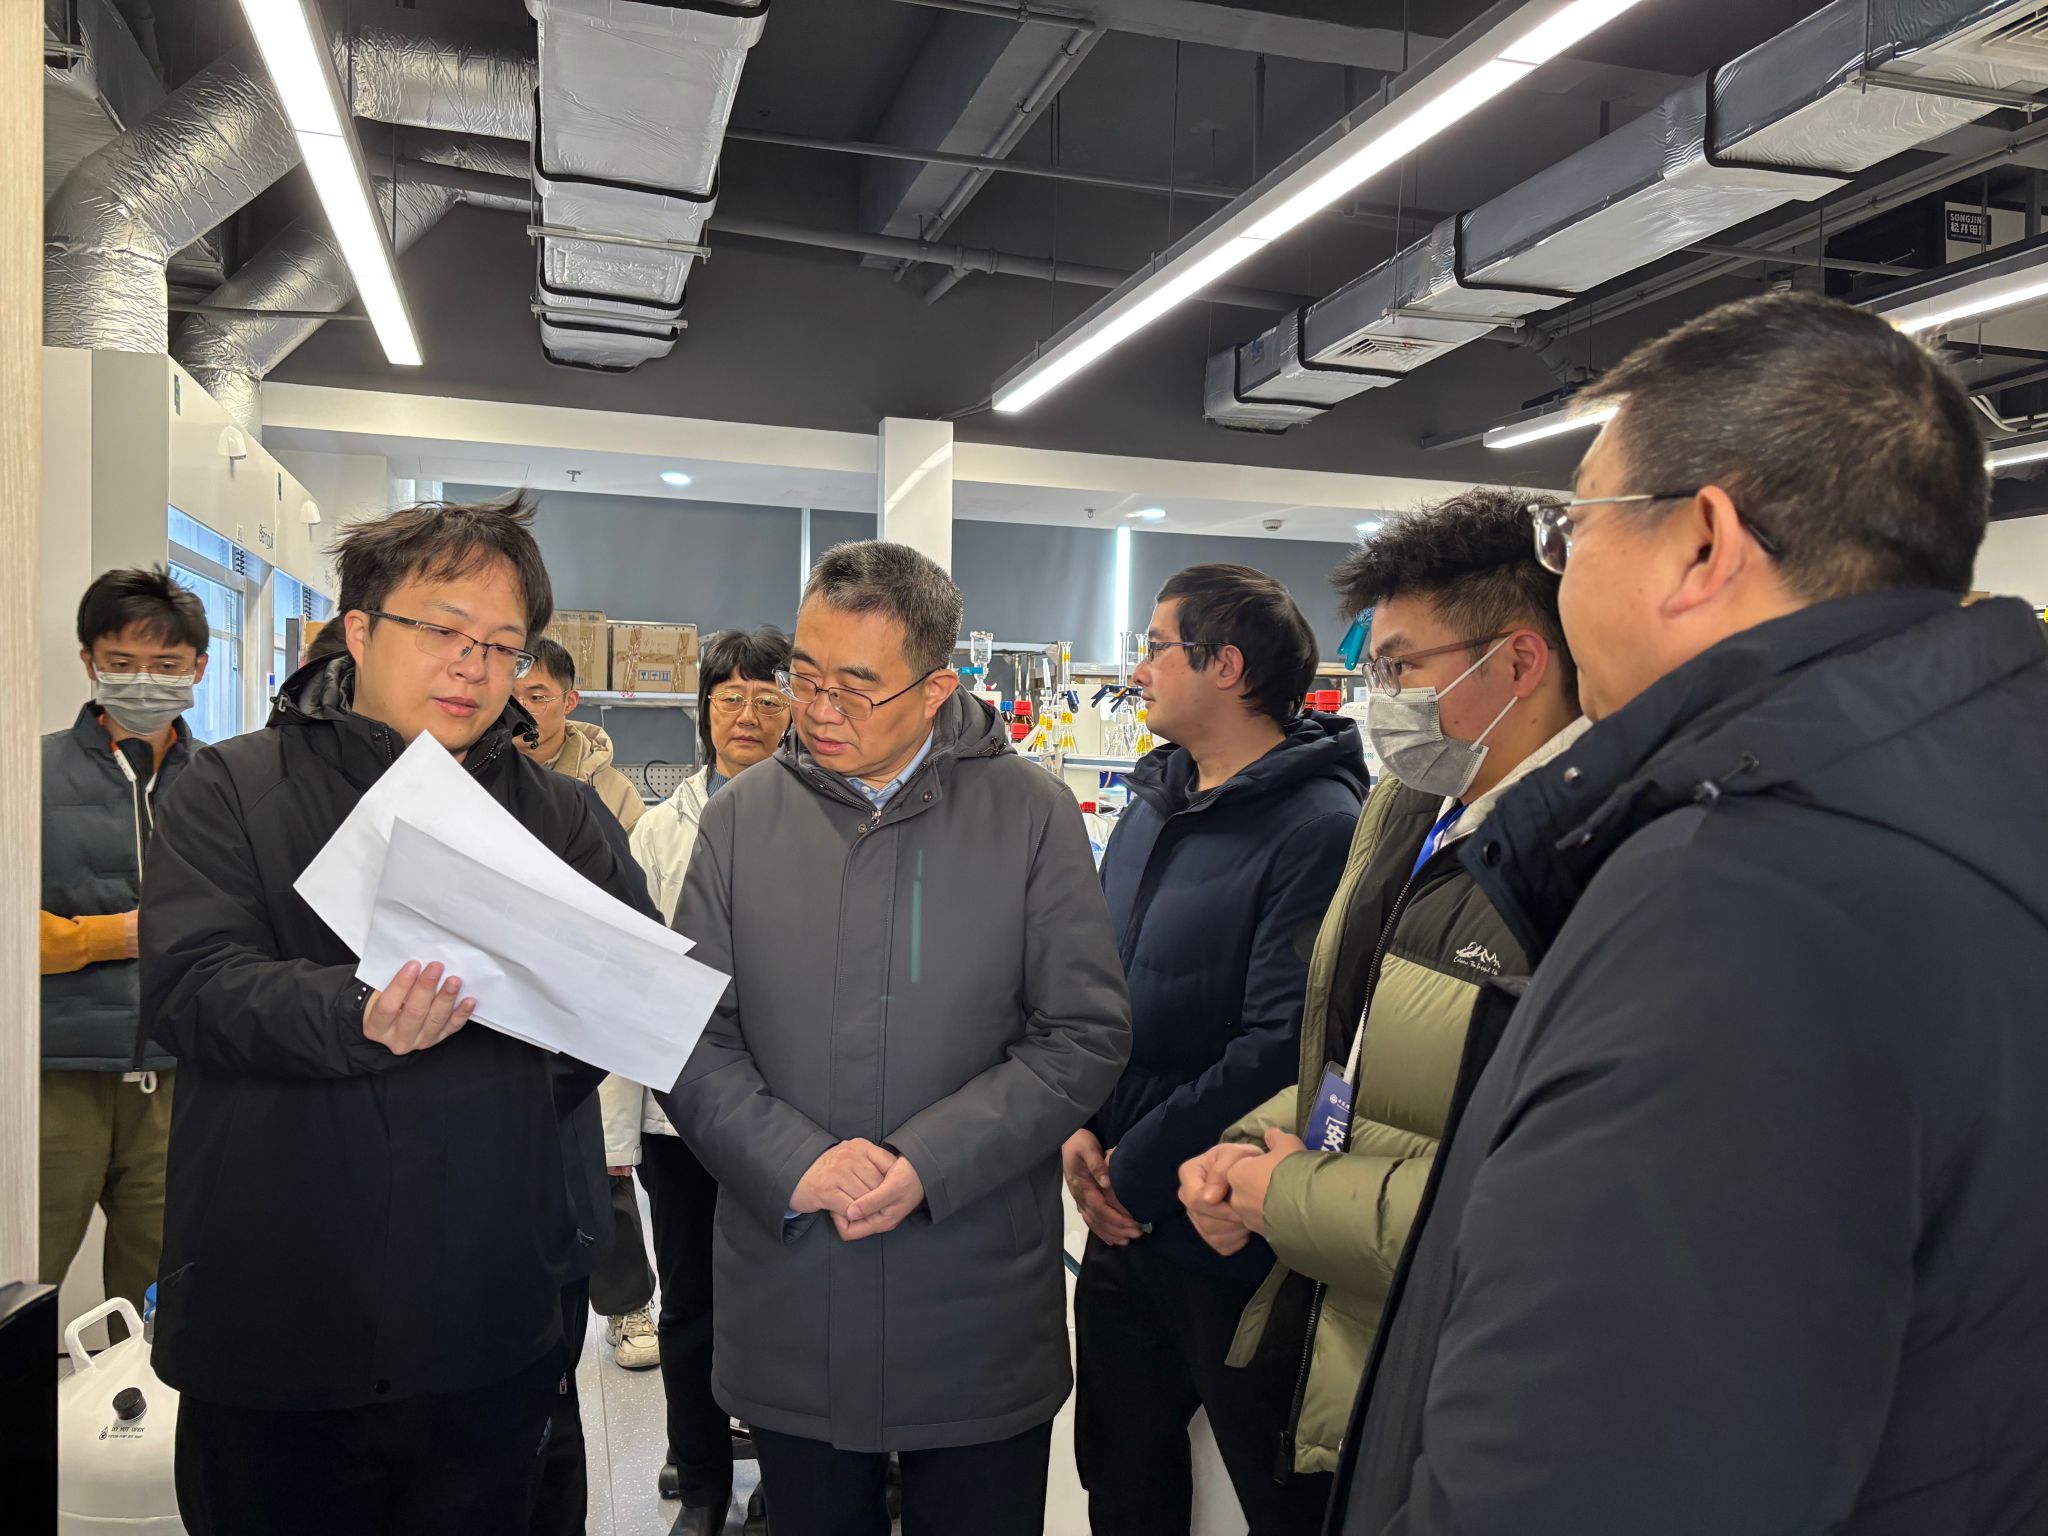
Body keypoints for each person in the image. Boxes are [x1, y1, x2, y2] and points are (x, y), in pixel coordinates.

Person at [1332, 292, 2048, 1534]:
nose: (1559, 572)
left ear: (1703, 544)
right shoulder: (1960, 798)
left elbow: (1589, 1484)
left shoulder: (1742, 900)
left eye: (1573, 527)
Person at [141, 494, 649, 1536]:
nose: (473, 666)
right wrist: (356, 1012)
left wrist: (530, 1038)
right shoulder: (231, 789)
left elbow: (624, 996)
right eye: (443, 631)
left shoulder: (559, 816)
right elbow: (190, 986)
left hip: (489, 1305)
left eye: (502, 645)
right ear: (361, 631)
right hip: (279, 1300)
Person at [660, 541, 1131, 1536]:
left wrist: (929, 1161)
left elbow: (1081, 1033)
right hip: (793, 1288)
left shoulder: (1030, 817)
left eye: (856, 686)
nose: (819, 709)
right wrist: (795, 1161)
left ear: (935, 689)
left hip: (971, 1299)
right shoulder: (740, 821)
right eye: (805, 677)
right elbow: (689, 1036)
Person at [1173, 491, 1585, 1493]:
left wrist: (1291, 1197)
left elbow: (1542, 1211)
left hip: (1461, 1384)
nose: (1379, 696)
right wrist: (1247, 1148)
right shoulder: (1408, 808)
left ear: (1518, 662)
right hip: (1337, 1323)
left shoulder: (1581, 865)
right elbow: (1354, 1055)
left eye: (1400, 667)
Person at [1064, 564, 1364, 1533]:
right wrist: (1079, 1124)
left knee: (1273, 1493)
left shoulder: (1317, 828)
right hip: (1119, 1212)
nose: (1136, 670)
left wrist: (1133, 1171)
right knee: (1121, 1477)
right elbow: (1100, 987)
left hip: (1226, 1222)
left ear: (1225, 666)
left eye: (1155, 647)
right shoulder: (1152, 806)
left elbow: (1283, 1044)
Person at [608, 624, 793, 1533]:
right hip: (678, 1115)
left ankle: (785, 1489)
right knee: (690, 1306)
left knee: (787, 1303)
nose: (747, 715)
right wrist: (617, 1131)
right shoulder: (659, 828)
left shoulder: (820, 818)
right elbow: (629, 985)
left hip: (787, 1112)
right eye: (730, 698)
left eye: (767, 698)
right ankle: (704, 1481)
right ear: (704, 710)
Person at [39, 568, 208, 1334]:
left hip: (180, 1074)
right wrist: (112, 936)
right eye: (121, 662)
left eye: (165, 665)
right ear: (89, 661)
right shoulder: (29, 772)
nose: (143, 682)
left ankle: (144, 1412)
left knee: (162, 1295)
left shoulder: (222, 782)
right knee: (25, 1275)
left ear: (198, 668)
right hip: (57, 1073)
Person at [514, 637, 661, 1388]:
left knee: (602, 1165)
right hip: (496, 1005)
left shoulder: (608, 792)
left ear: (569, 702)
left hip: (580, 999)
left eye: (537, 694)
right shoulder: (464, 772)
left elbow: (631, 906)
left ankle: (627, 1304)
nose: (521, 708)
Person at [517, 636, 646, 832]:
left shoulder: (616, 796)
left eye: (536, 698)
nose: (519, 710)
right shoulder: (475, 774)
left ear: (569, 702)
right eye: (507, 697)